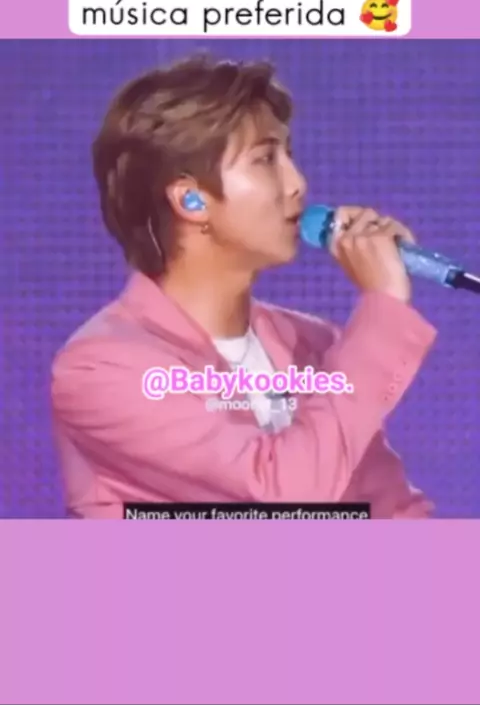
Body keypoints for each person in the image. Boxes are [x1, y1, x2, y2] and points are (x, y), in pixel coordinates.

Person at [51, 54, 437, 519]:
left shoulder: (312, 344)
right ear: (190, 199)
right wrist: (383, 308)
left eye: (289, 155)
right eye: (266, 159)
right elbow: (280, 495)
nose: (298, 184)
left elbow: (391, 513)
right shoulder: (101, 369)